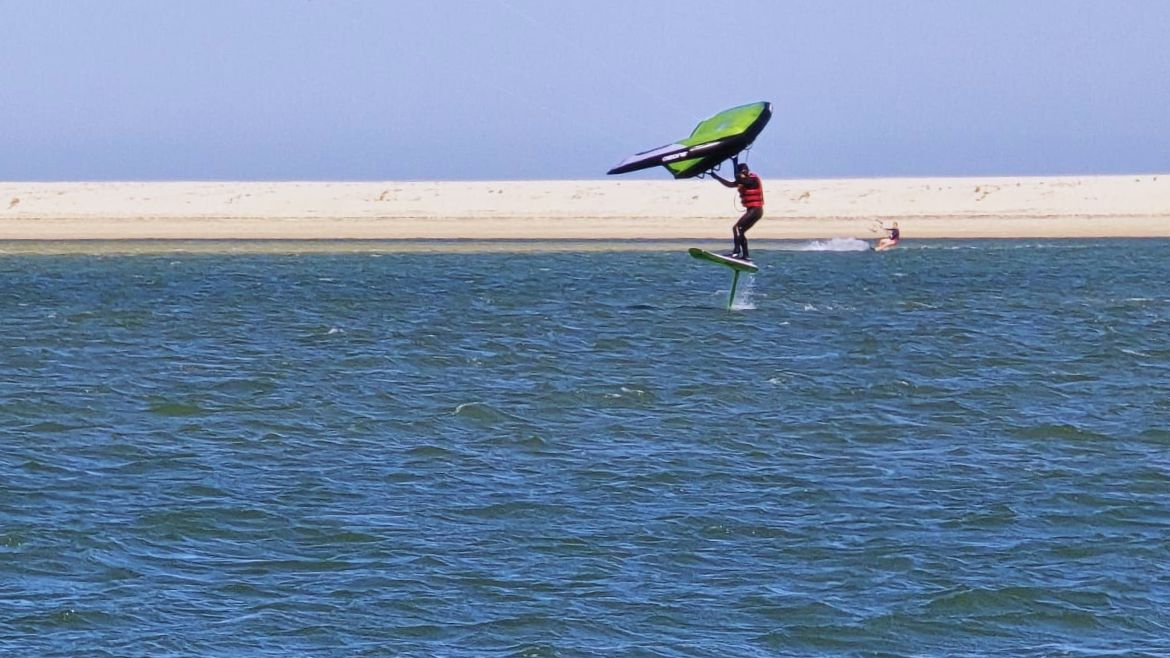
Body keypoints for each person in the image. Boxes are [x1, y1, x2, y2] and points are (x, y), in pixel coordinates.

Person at [709, 162, 764, 261]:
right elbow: (729, 184)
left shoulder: (753, 179)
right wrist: (715, 176)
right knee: (740, 230)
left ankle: (736, 252)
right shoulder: (742, 180)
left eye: (745, 172)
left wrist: (735, 165)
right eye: (742, 172)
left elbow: (744, 181)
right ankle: (745, 255)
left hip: (756, 210)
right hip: (753, 211)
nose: (744, 173)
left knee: (738, 228)